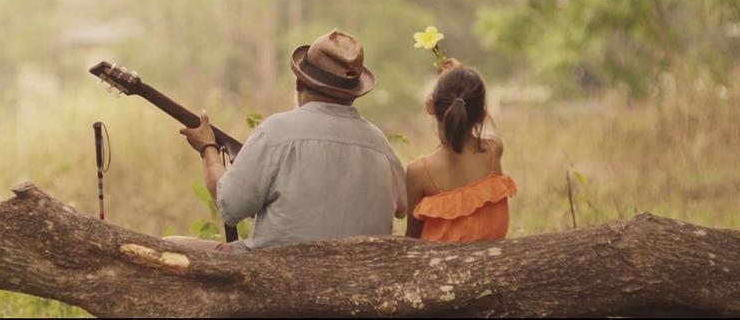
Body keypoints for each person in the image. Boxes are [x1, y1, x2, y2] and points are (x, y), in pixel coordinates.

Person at [167, 29, 407, 252]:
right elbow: (402, 208)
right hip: (359, 281)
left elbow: (229, 206)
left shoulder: (276, 132)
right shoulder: (380, 143)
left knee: (170, 246)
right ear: (354, 94)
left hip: (277, 277)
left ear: (298, 82)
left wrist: (208, 147)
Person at [404, 58, 517, 243]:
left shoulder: (419, 172)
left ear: (430, 107)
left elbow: (412, 241)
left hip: (440, 271)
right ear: (481, 113)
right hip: (491, 269)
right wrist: (461, 77)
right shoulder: (493, 152)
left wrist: (450, 82)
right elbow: (488, 125)